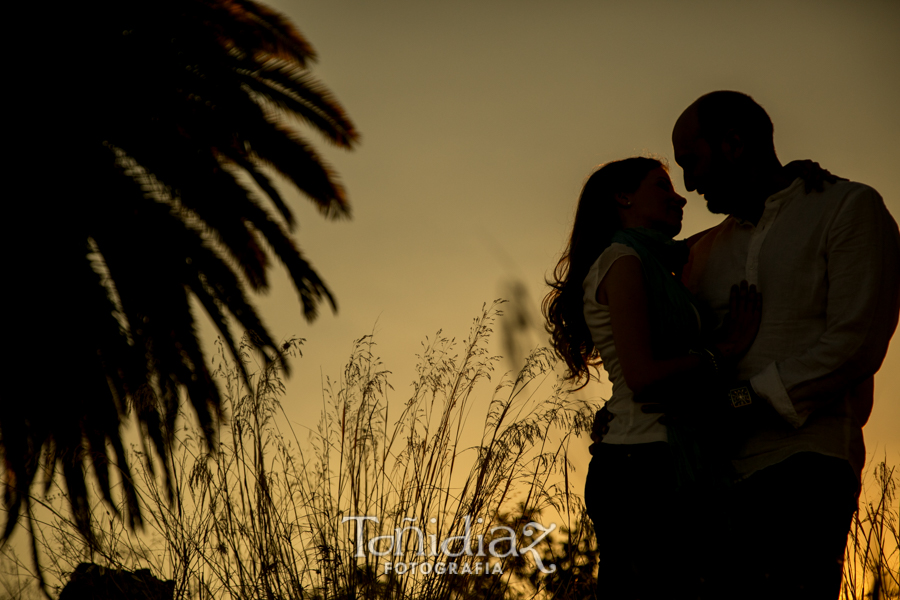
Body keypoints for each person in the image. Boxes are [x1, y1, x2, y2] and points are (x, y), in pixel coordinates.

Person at [672, 90, 900, 599]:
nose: (688, 183)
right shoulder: (704, 247)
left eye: (693, 161)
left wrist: (744, 401)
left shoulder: (848, 208)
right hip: (709, 483)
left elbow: (856, 342)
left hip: (805, 471)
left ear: (734, 143)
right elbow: (624, 276)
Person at [543, 157, 762, 600]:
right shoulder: (623, 261)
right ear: (623, 197)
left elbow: (724, 233)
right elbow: (642, 376)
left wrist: (787, 189)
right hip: (639, 467)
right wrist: (720, 352)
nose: (679, 196)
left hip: (657, 459)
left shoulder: (658, 263)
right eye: (662, 188)